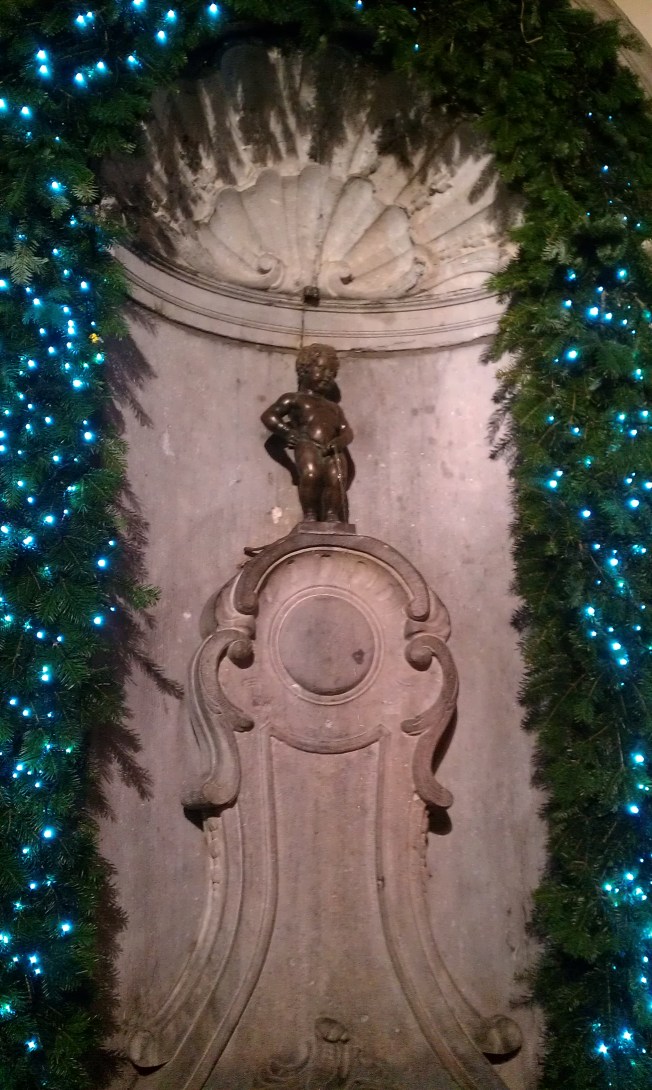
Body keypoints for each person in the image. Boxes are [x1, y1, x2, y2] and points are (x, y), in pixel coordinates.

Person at [261, 343, 353, 522]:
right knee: (311, 475)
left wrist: (341, 441)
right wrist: (287, 432)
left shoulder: (334, 407)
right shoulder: (294, 399)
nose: (327, 376)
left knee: (337, 479)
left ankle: (332, 516)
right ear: (305, 370)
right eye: (322, 369)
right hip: (308, 443)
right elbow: (269, 416)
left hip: (333, 449)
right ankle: (310, 515)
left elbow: (347, 430)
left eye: (332, 372)